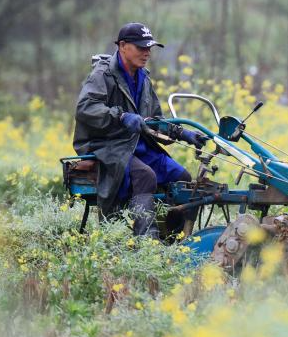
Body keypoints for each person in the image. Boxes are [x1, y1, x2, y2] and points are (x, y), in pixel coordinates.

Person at [73, 22, 206, 237]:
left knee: (182, 177)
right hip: (107, 146)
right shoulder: (103, 74)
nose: (147, 53)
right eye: (141, 47)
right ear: (123, 46)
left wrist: (182, 133)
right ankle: (146, 240)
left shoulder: (144, 78)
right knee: (145, 176)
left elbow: (154, 119)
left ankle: (172, 237)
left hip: (137, 146)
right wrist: (121, 116)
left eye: (149, 48)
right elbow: (85, 108)